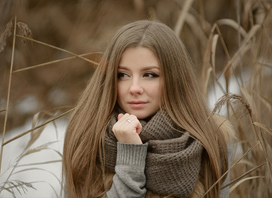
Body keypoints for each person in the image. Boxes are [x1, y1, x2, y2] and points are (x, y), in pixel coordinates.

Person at [63, 20, 233, 198]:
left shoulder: (211, 139)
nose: (134, 88)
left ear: (174, 79)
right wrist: (129, 156)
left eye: (150, 75)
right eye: (123, 75)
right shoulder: (87, 136)